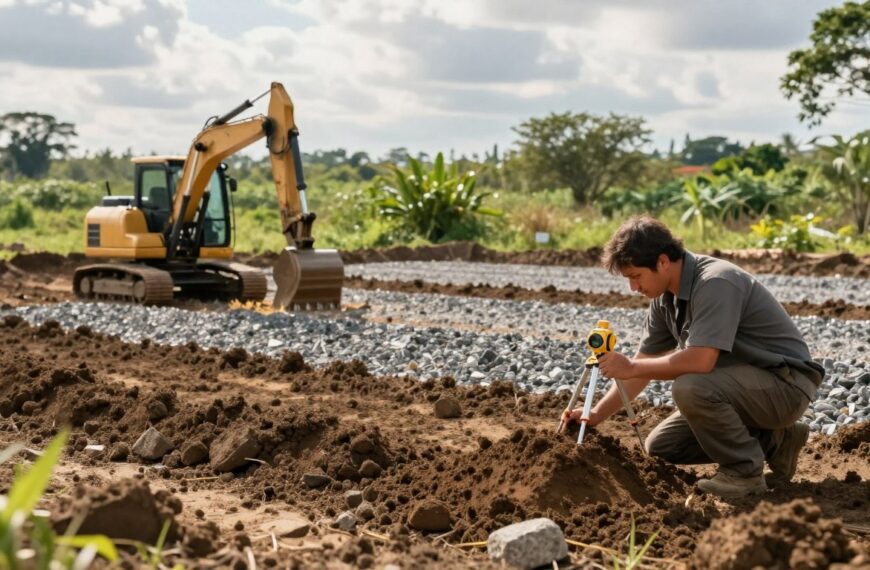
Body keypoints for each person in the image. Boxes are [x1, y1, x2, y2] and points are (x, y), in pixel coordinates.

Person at [564, 215, 824, 499]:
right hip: (746, 387)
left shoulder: (716, 282)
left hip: (785, 386)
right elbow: (640, 370)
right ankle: (778, 441)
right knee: (663, 447)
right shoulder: (664, 298)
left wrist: (631, 365)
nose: (633, 288)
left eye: (636, 276)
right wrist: (594, 415)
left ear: (662, 262)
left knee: (690, 387)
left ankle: (744, 473)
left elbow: (700, 361)